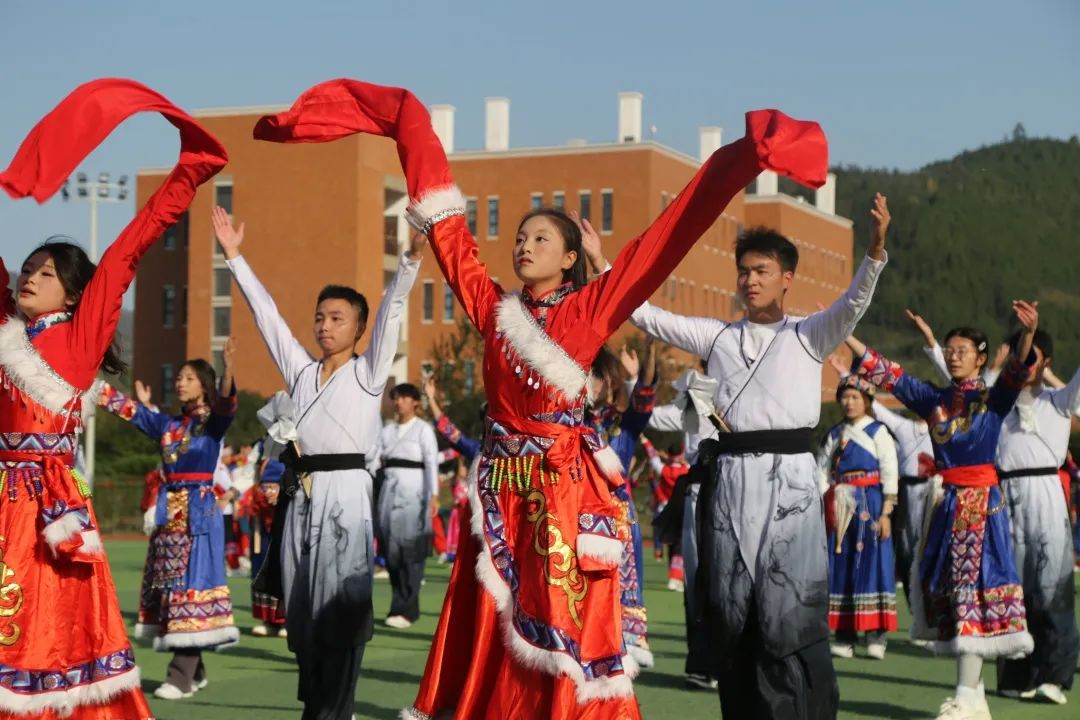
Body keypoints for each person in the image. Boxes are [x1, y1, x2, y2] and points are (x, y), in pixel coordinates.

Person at [248, 79, 829, 719]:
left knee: (557, 622)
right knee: (487, 624)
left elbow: (667, 238)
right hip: (499, 488)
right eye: (520, 237)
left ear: (572, 257)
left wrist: (740, 160)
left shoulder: (591, 307)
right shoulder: (496, 311)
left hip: (557, 492)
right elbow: (450, 237)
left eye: (541, 239)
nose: (524, 245)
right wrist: (409, 129)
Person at [0, 78, 226, 719]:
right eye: (28, 267)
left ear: (74, 296)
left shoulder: (78, 334)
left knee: (48, 635)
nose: (30, 277)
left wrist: (192, 171)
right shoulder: (8, 328)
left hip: (43, 509)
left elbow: (131, 245)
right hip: (1, 494)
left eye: (47, 273)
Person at [621, 192, 890, 719]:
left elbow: (855, 302)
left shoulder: (810, 335)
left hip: (790, 479)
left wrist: (876, 249)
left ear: (787, 276)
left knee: (789, 612)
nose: (750, 280)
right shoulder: (718, 335)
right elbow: (648, 316)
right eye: (744, 271)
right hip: (729, 481)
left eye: (762, 270)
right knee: (731, 607)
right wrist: (600, 265)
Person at [215, 201, 423, 719]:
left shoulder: (368, 373)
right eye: (320, 317)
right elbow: (268, 318)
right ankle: (321, 699)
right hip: (299, 494)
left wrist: (410, 261)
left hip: (346, 492)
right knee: (304, 607)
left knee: (344, 603)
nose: (325, 326)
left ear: (358, 329)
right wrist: (235, 258)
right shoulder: (302, 373)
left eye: (337, 319)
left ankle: (335, 706)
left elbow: (393, 307)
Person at [845, 301, 1039, 720]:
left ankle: (966, 697)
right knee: (957, 595)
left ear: (980, 358)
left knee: (973, 593)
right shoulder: (932, 399)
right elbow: (887, 372)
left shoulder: (994, 398)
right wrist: (840, 327)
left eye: (963, 350)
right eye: (949, 349)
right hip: (949, 504)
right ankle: (975, 698)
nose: (954, 355)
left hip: (980, 505)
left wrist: (1027, 333)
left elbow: (1020, 367)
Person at [98, 345, 241, 699]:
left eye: (189, 378)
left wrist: (229, 366)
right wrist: (86, 381)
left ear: (204, 386)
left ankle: (180, 676)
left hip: (199, 514)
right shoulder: (168, 424)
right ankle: (196, 671)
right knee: (170, 588)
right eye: (179, 377)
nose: (180, 382)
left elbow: (226, 403)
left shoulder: (213, 422)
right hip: (169, 513)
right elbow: (129, 410)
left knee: (189, 585)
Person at [828, 350, 935, 616]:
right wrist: (845, 374)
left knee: (936, 551)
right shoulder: (903, 427)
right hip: (908, 491)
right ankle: (918, 614)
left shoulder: (948, 427)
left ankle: (939, 616)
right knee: (909, 551)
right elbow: (871, 406)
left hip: (939, 491)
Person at [585, 341, 658, 667]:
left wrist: (648, 359)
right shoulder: (571, 423)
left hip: (617, 520)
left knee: (623, 587)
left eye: (595, 376)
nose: (589, 383)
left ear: (609, 382)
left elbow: (643, 403)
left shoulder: (621, 423)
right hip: (580, 516)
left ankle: (627, 640)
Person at [816, 375, 899, 660]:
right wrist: (826, 503)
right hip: (841, 507)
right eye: (845, 397)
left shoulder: (878, 432)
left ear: (866, 400)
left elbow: (890, 471)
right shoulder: (834, 434)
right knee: (841, 565)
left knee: (874, 565)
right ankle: (844, 634)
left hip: (871, 504)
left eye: (855, 397)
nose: (849, 403)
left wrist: (887, 512)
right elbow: (822, 472)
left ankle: (876, 634)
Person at [374, 383, 440, 629]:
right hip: (389, 493)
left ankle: (407, 608)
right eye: (396, 397)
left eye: (403, 397)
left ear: (415, 402)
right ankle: (397, 602)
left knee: (411, 550)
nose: (399, 401)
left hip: (414, 494)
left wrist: (433, 494)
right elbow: (375, 459)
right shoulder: (387, 431)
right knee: (391, 551)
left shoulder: (423, 430)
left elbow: (432, 463)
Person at [250, 439, 288, 637]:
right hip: (262, 513)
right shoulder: (261, 446)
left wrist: (284, 493)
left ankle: (287, 620)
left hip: (287, 509)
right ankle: (268, 619)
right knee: (262, 561)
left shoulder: (300, 440)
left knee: (285, 562)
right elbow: (249, 474)